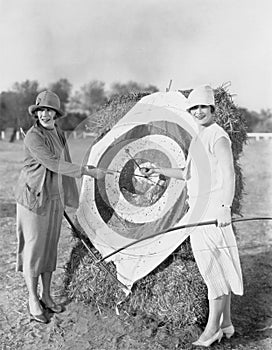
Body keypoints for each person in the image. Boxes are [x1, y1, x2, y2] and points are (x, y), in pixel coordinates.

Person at [142, 85, 243, 347]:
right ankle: (226, 323)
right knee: (220, 266)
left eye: (203, 107)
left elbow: (229, 174)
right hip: (199, 210)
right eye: (194, 108)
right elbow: (187, 175)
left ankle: (211, 331)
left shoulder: (217, 136)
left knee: (213, 271)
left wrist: (224, 208)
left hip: (212, 211)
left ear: (212, 109)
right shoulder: (199, 136)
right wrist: (159, 170)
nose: (198, 112)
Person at [15, 90, 108, 324]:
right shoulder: (33, 137)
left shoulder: (58, 132)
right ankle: (33, 299)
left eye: (50, 110)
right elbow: (53, 164)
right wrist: (87, 171)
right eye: (41, 110)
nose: (45, 114)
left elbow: (64, 160)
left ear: (56, 114)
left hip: (54, 198)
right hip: (34, 200)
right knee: (34, 250)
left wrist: (69, 198)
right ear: (36, 113)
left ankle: (46, 294)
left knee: (49, 249)